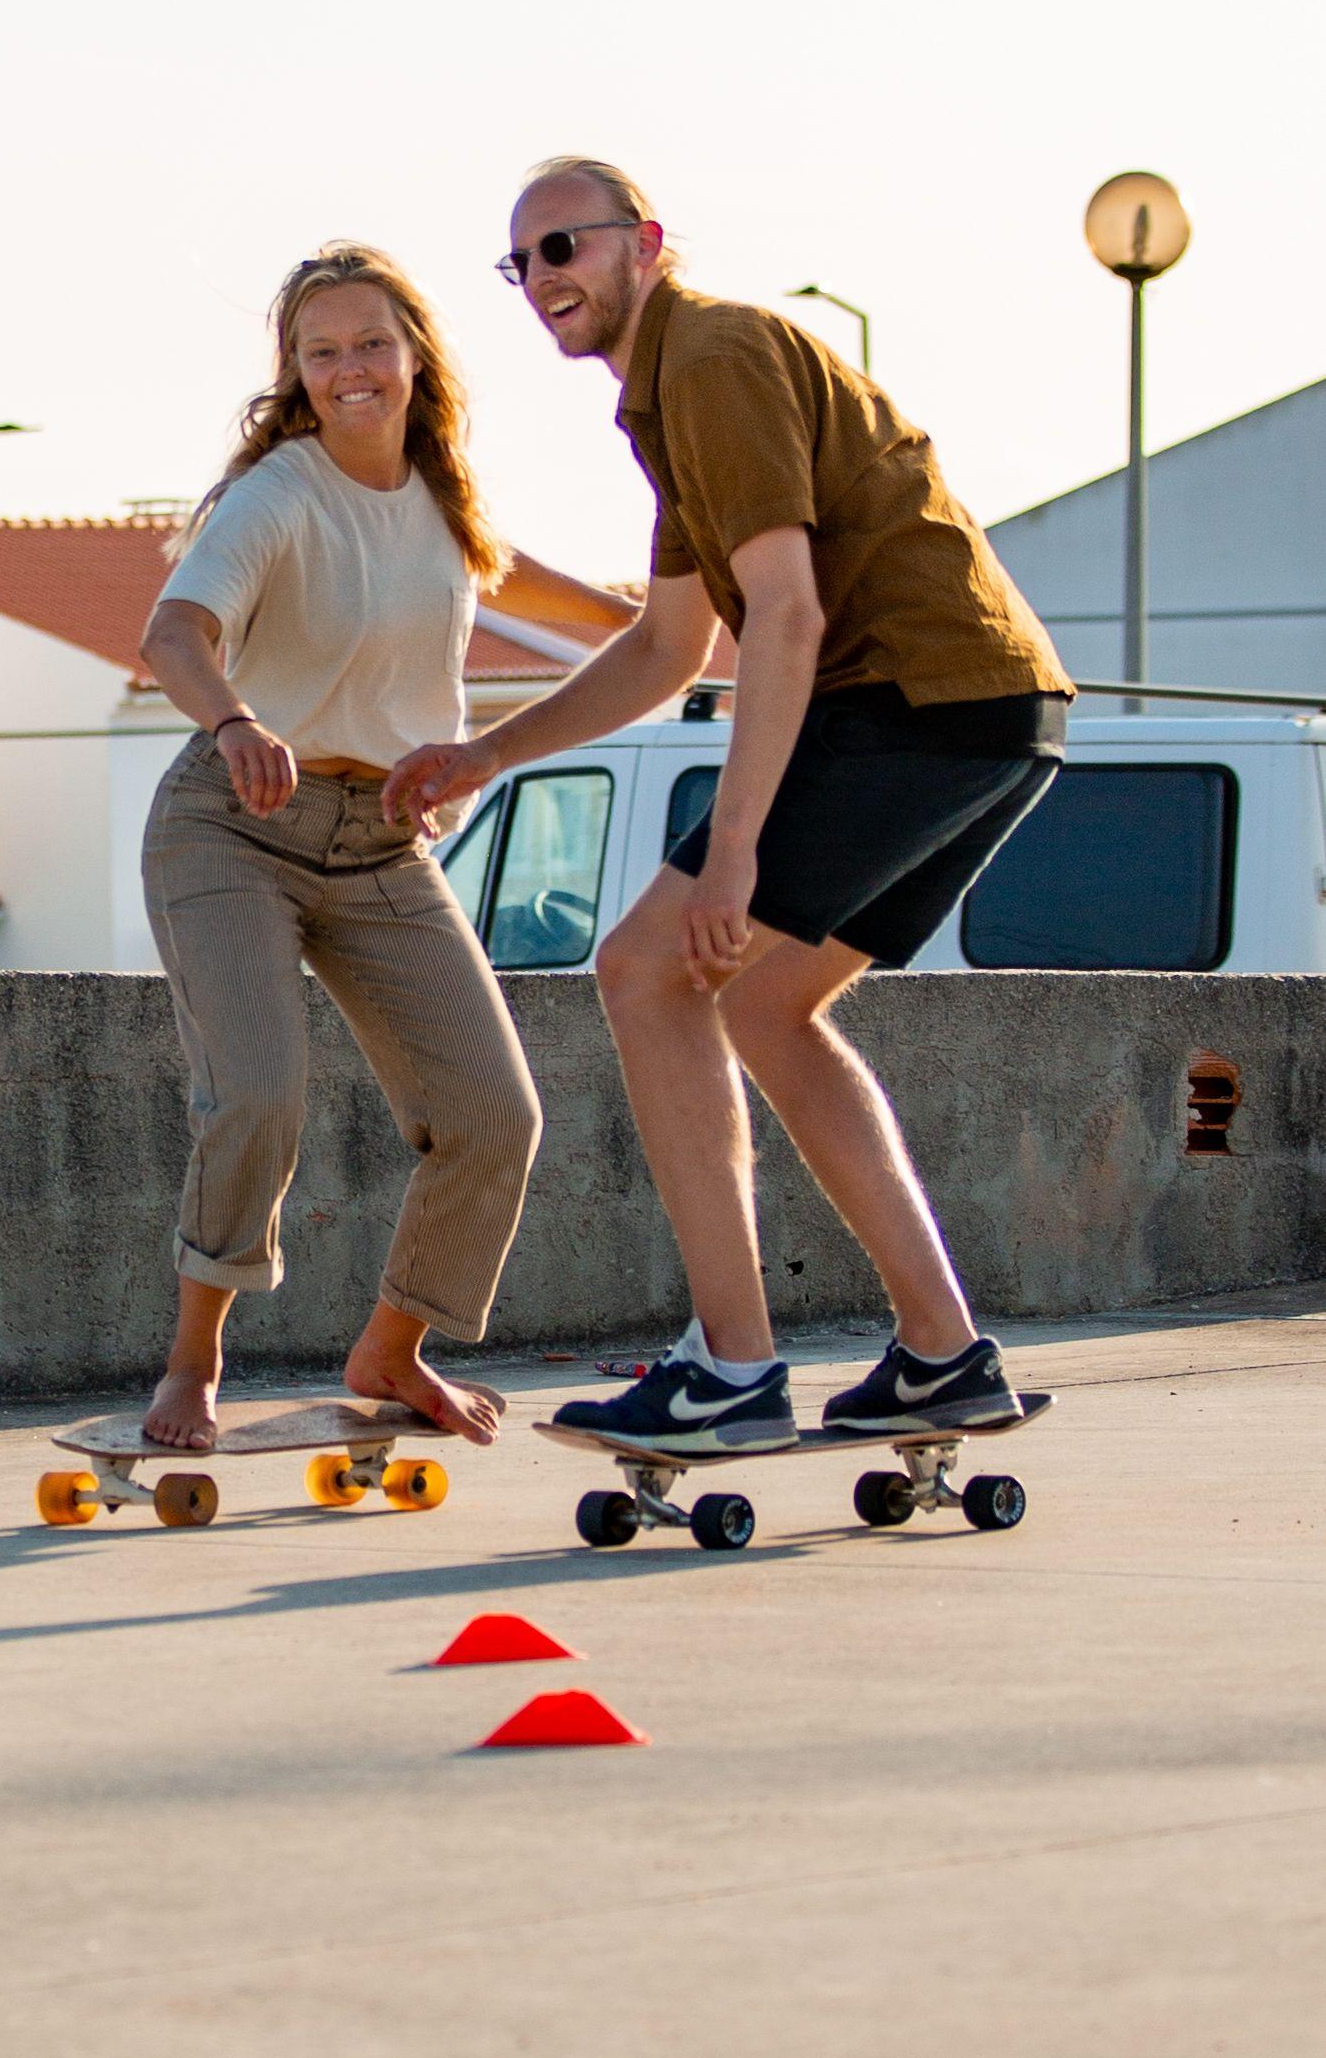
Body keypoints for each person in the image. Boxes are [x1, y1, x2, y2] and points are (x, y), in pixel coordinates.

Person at [386, 159, 1067, 1453]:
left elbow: (789, 615)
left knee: (646, 969)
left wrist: (734, 850)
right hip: (988, 712)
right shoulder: (667, 395)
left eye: (565, 245)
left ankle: (733, 1368)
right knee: (760, 1002)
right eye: (521, 262)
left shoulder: (711, 357)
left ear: (643, 240)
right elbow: (668, 646)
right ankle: (941, 1352)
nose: (542, 278)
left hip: (911, 702)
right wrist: (487, 754)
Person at [136, 243, 543, 1452]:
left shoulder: (443, 497)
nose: (349, 368)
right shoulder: (277, 494)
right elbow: (174, 632)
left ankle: (393, 1348)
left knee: (493, 1114)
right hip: (233, 822)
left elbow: (529, 586)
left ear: (415, 355)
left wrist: (668, 615)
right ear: (296, 372)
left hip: (379, 842)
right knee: (258, 1096)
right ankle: (193, 1362)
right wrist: (233, 719)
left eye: (370, 342)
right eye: (321, 352)